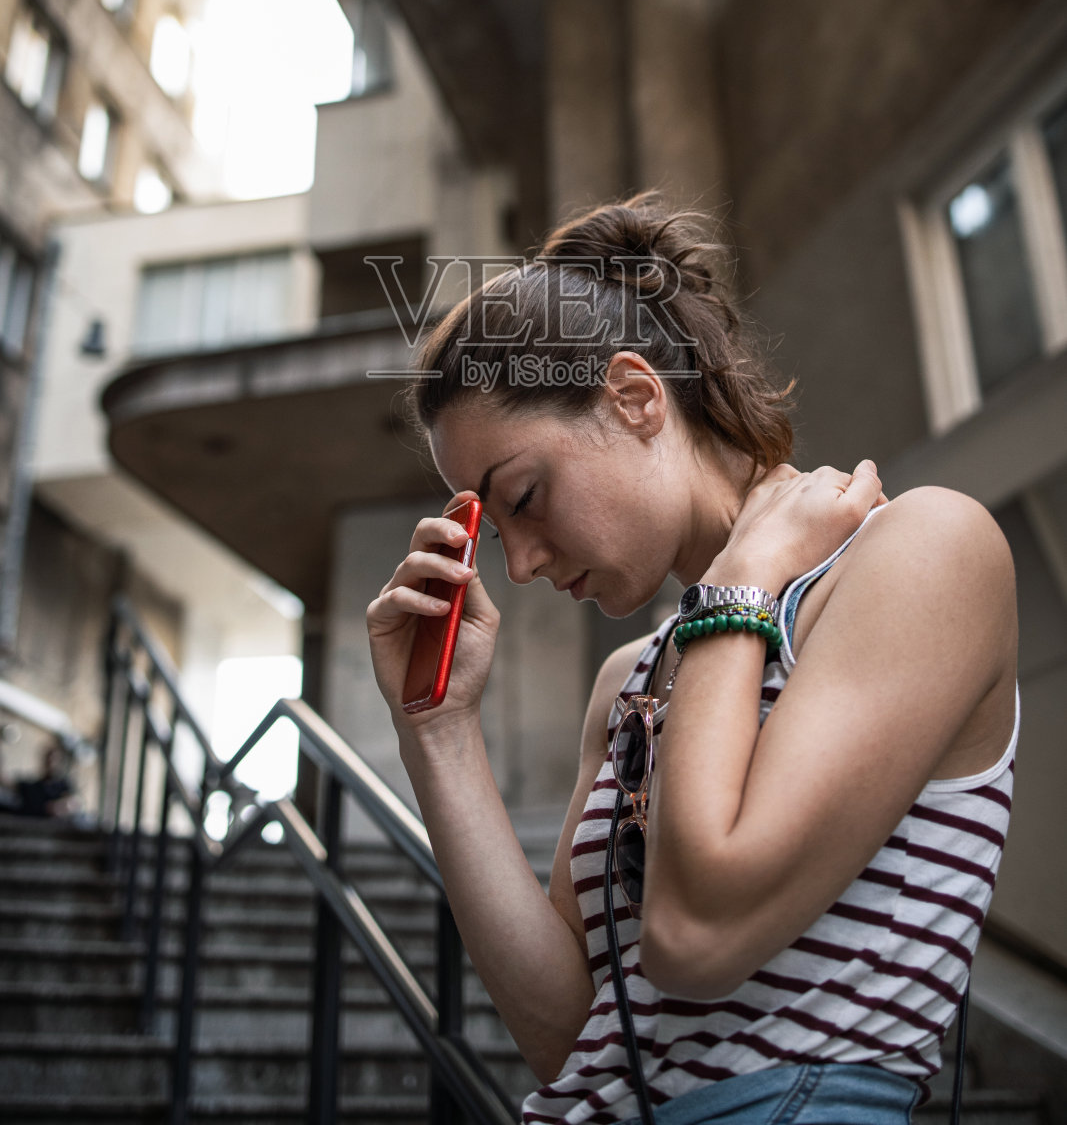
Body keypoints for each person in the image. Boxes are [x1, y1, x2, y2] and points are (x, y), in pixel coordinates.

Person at [367, 195, 1017, 1125]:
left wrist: (738, 579)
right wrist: (437, 734)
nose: (518, 564)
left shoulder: (922, 550)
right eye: (494, 528)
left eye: (525, 495)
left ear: (635, 398)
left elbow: (693, 933)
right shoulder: (628, 678)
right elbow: (571, 1038)